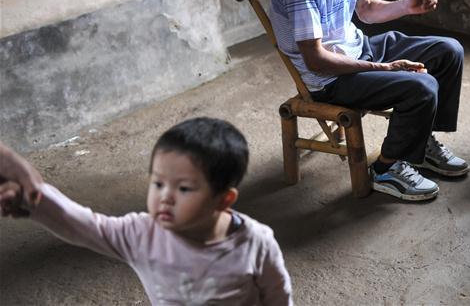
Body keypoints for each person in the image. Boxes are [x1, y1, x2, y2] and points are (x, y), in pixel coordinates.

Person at [269, 0, 468, 202]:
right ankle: (386, 168)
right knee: (422, 86)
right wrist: (385, 68)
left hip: (357, 48)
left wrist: (407, 5)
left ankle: (420, 143)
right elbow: (316, 60)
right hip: (329, 79)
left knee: (448, 51)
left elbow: (366, 9)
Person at [0, 119, 293, 305]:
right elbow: (83, 225)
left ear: (223, 199)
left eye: (184, 188)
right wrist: (33, 199)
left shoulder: (256, 242)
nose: (165, 198)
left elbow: (279, 297)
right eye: (158, 183)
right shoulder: (142, 234)